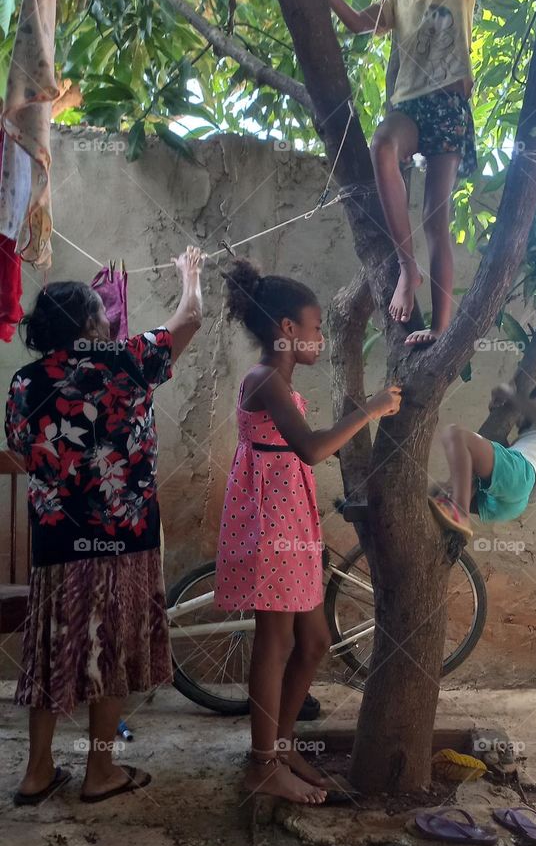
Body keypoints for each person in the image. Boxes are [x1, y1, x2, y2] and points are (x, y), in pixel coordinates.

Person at [295, 0, 536, 347]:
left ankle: (438, 328)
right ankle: (406, 266)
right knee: (382, 146)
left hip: (449, 107)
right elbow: (355, 22)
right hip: (410, 108)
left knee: (438, 219)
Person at [5, 247, 204, 805]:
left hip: (56, 541)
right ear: (92, 323)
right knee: (110, 648)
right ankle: (100, 772)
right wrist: (190, 274)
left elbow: (21, 450)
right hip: (123, 538)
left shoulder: (24, 382)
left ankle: (36, 773)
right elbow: (190, 317)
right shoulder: (126, 361)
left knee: (52, 649)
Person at [213, 259, 401, 805]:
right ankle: (261, 765)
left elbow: (299, 449)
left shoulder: (280, 383)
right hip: (270, 524)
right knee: (275, 642)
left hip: (292, 521)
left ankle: (282, 743)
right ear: (287, 329)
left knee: (314, 640)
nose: (320, 338)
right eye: (315, 328)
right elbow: (311, 449)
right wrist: (369, 410)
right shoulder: (264, 379)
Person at [429, 381, 536, 538]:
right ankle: (454, 520)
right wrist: (495, 413)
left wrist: (510, 394)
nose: (517, 422)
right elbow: (497, 457)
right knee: (438, 492)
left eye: (518, 414)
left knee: (455, 434)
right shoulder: (531, 441)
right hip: (512, 501)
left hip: (520, 477)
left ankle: (459, 511)